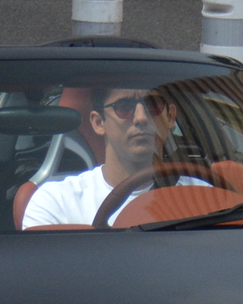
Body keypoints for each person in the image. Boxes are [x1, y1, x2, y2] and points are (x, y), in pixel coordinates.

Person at [20, 85, 212, 228]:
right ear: (98, 123)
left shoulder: (204, 196)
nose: (141, 118)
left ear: (170, 117)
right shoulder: (57, 202)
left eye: (153, 105)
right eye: (124, 107)